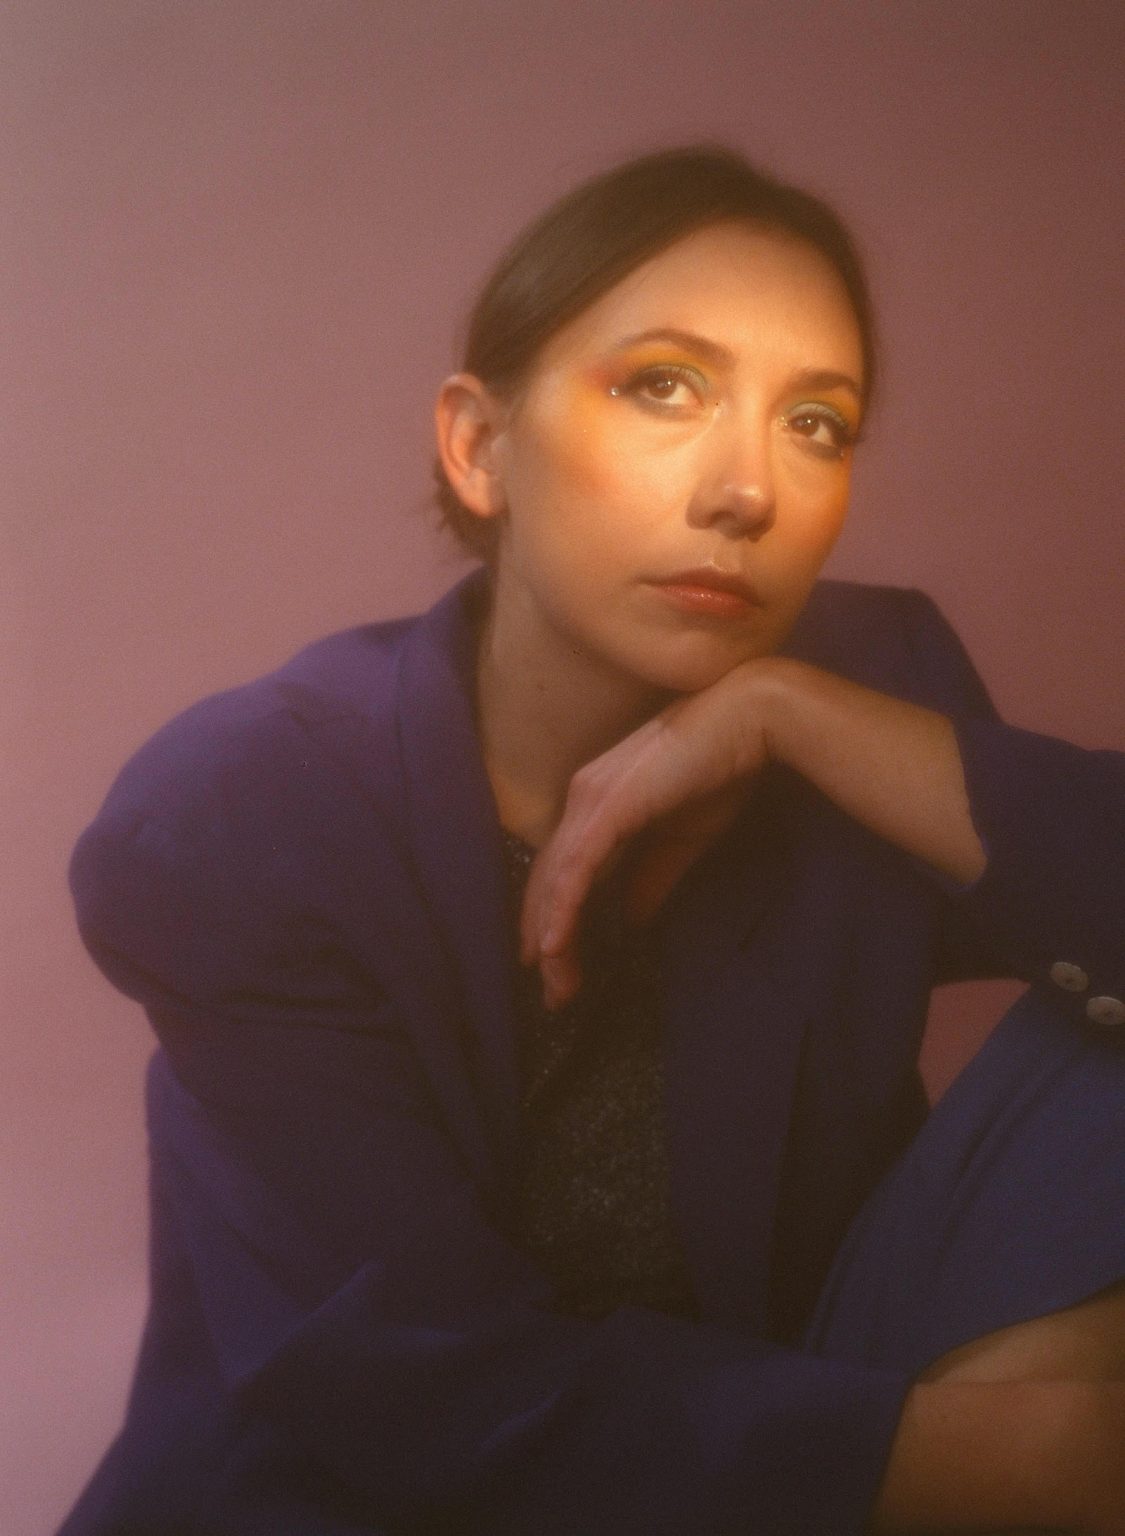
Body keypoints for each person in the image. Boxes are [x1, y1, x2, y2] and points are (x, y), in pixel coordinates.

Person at [63, 146, 1125, 1534]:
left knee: (1106, 1022)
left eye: (816, 423)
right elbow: (407, 1380)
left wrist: (791, 714)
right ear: (478, 447)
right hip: (362, 1505)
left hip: (769, 1436)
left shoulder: (874, 691)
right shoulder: (246, 810)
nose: (747, 491)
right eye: (662, 387)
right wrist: (972, 1466)